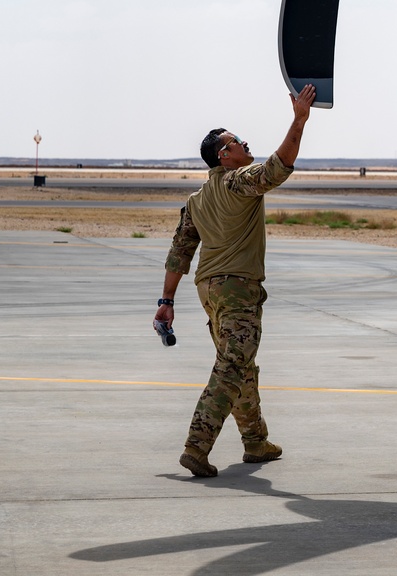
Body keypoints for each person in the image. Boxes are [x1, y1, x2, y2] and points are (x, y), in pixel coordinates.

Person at [156, 84, 316, 477]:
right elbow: (277, 167)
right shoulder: (237, 180)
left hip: (208, 289)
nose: (246, 144)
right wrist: (299, 119)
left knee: (241, 364)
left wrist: (167, 301)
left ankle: (256, 442)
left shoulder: (197, 199)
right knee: (231, 366)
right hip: (237, 287)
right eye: (237, 142)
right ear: (224, 156)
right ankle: (197, 445)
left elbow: (180, 252)